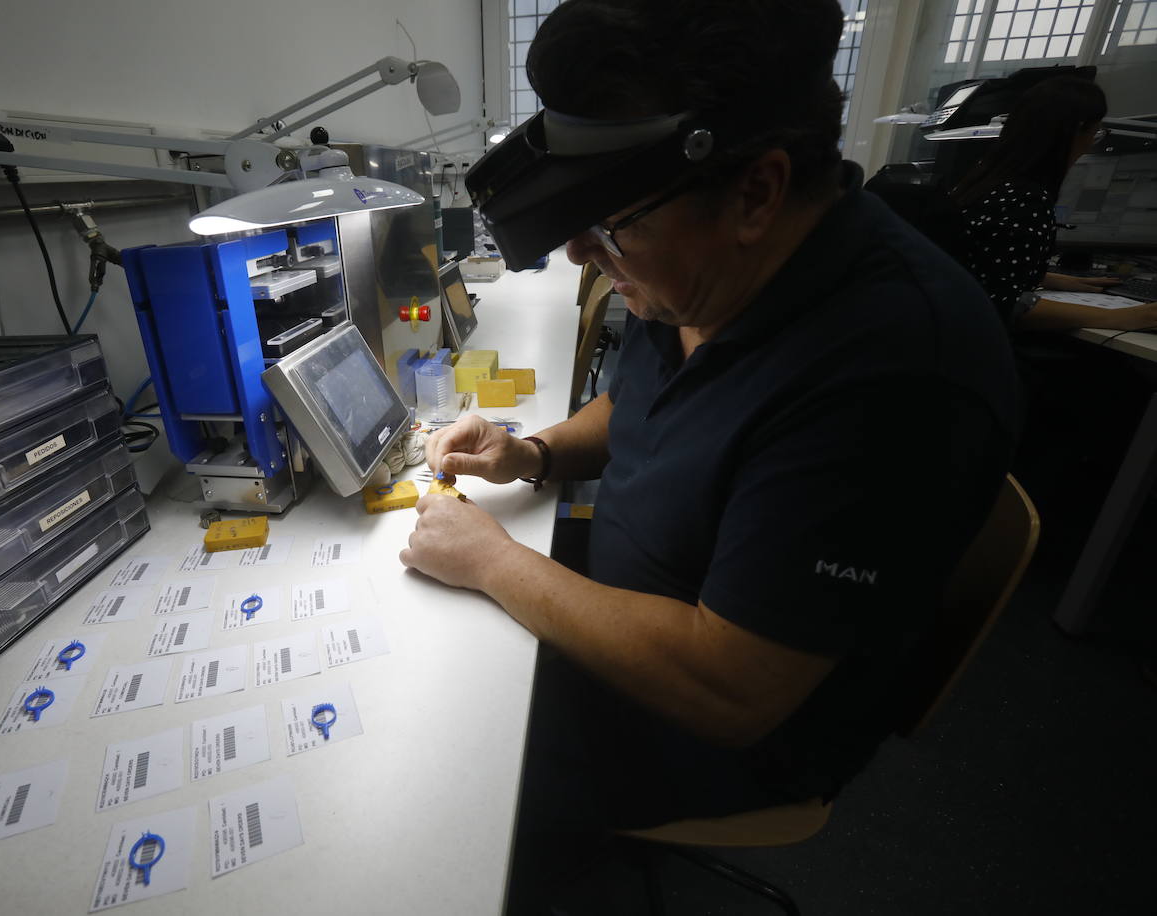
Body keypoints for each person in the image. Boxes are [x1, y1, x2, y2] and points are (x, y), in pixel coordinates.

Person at [399, 0, 1018, 907]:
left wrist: (495, 563)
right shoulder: (701, 271)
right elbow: (641, 403)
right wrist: (530, 452)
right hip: (633, 608)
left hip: (717, 725)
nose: (581, 252)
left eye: (612, 224)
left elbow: (733, 688)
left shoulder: (894, 375)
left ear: (756, 193)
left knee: (433, 784)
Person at [951, 76, 1157, 330]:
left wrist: (1045, 278)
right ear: (1075, 132)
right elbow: (1000, 301)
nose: (1089, 147)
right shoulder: (1025, 200)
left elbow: (975, 267)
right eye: (1095, 133)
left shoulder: (986, 181)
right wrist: (1127, 317)